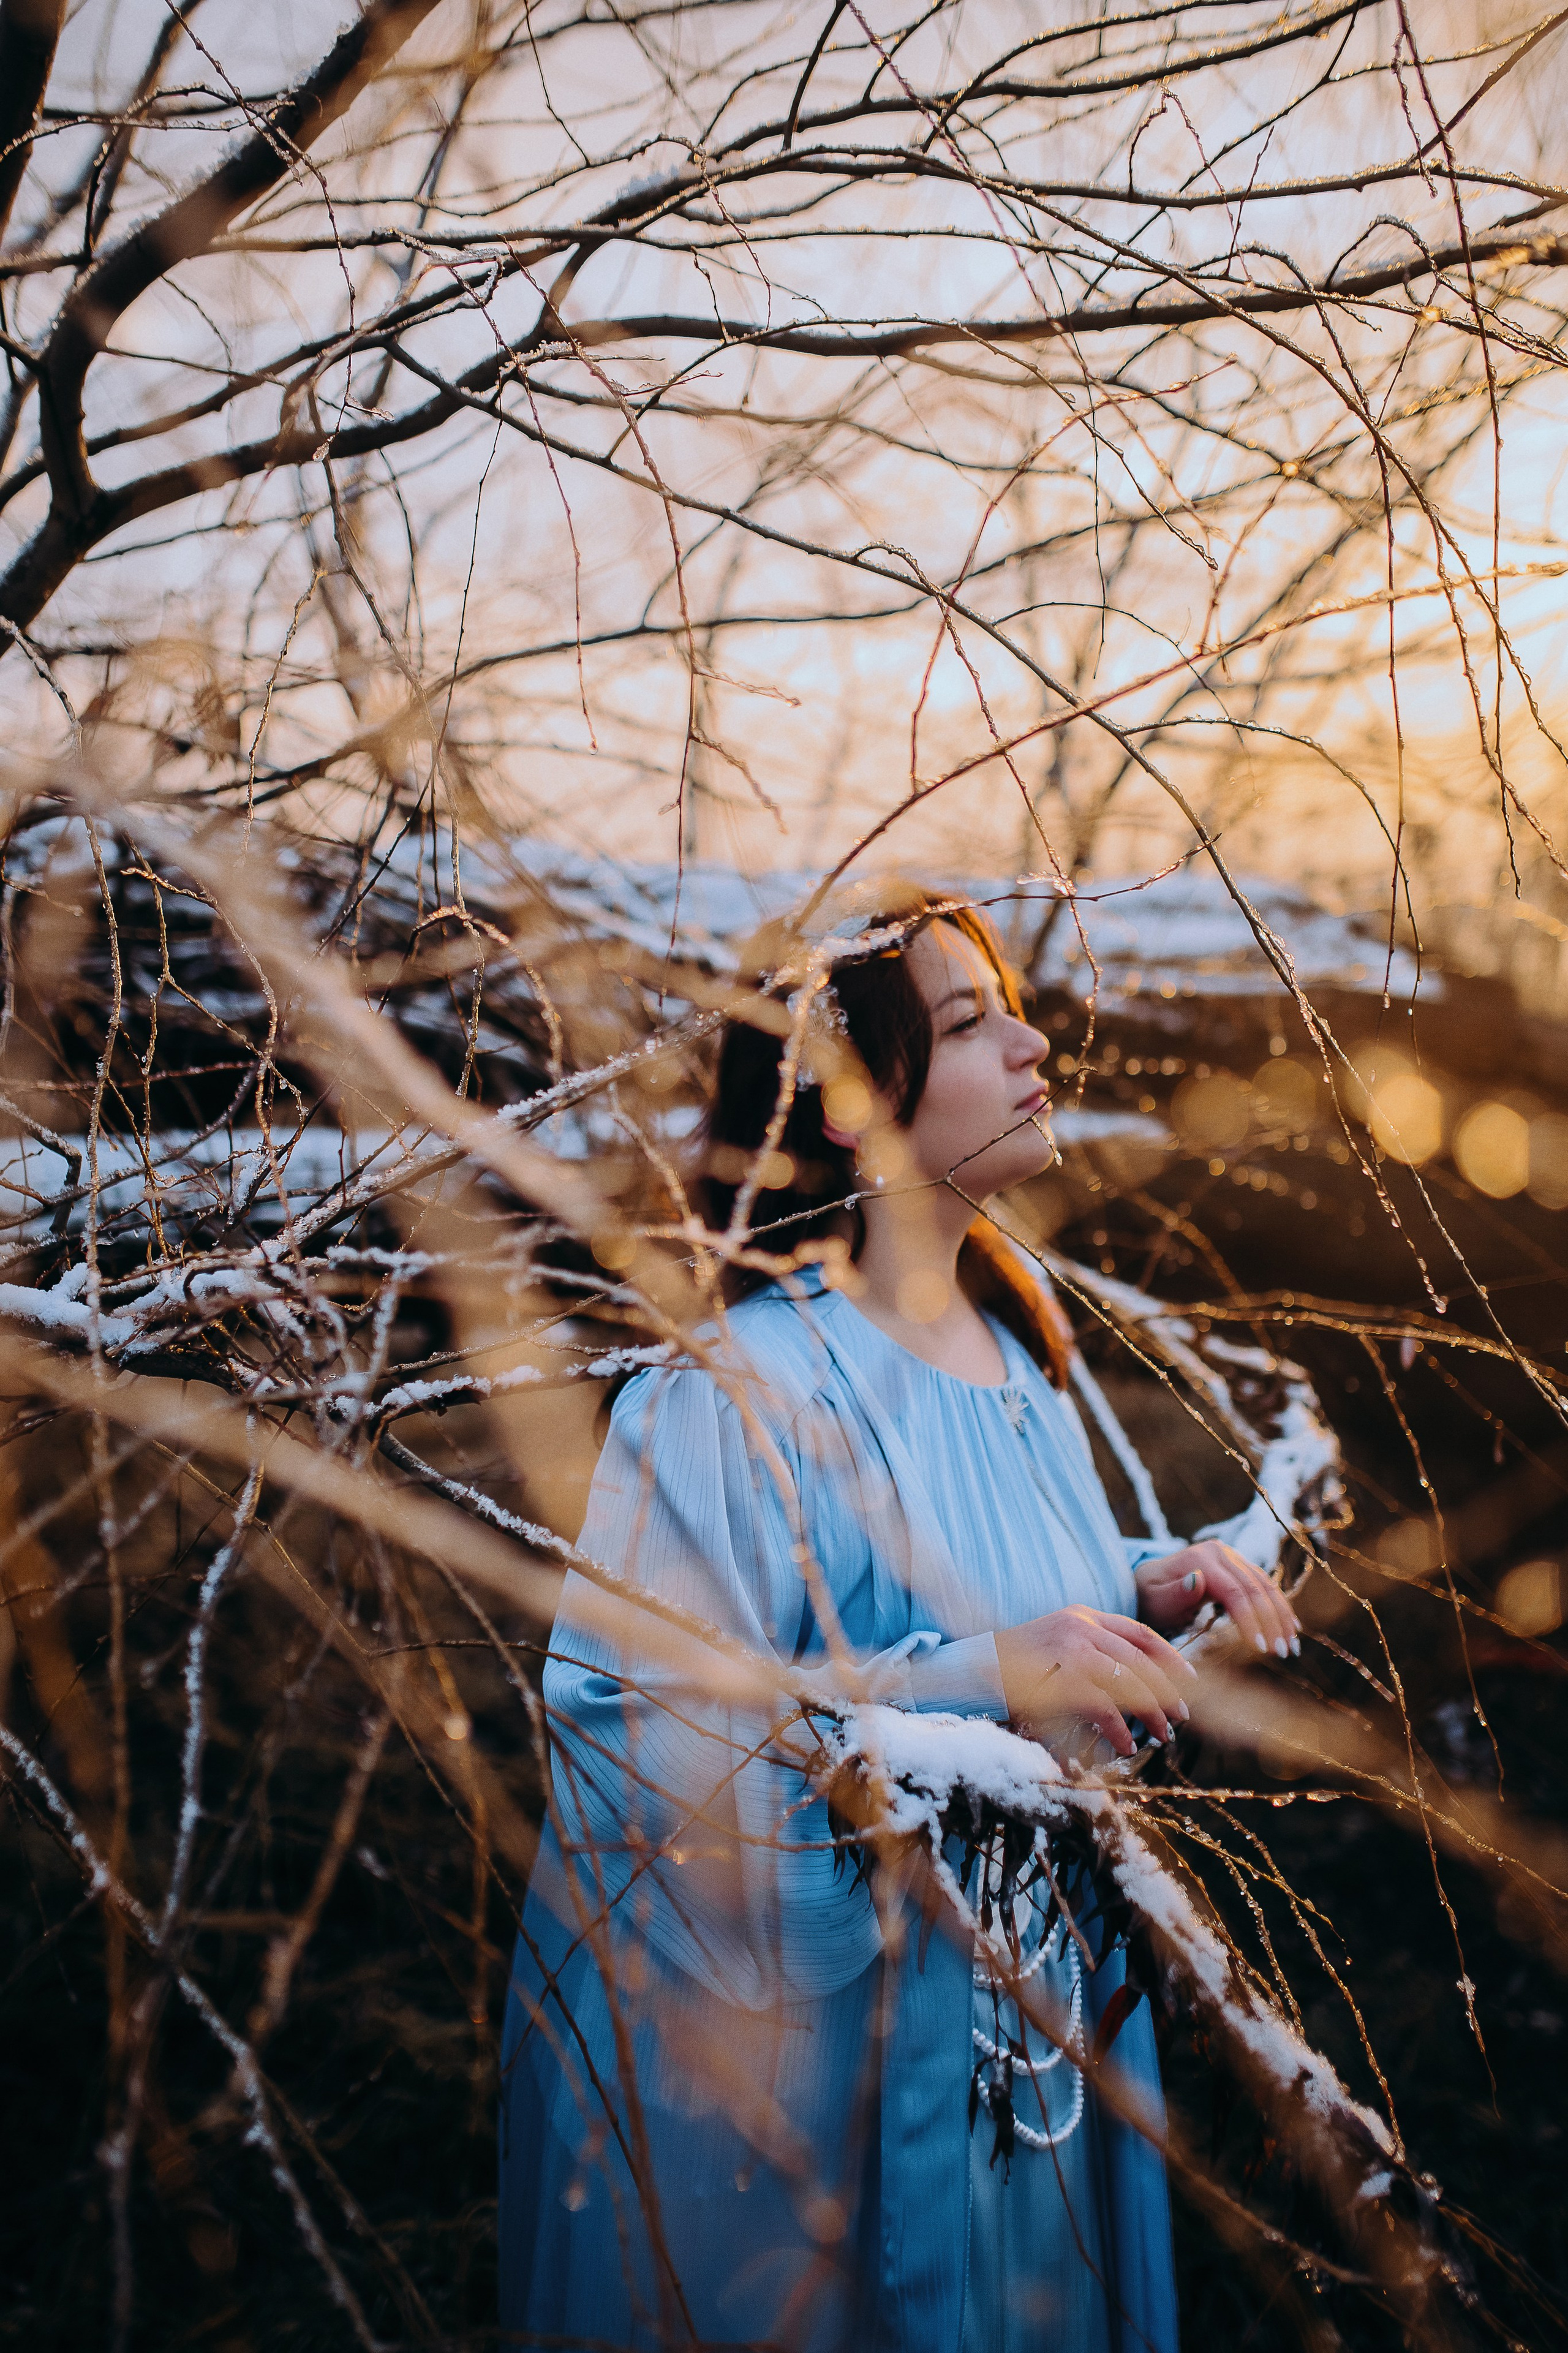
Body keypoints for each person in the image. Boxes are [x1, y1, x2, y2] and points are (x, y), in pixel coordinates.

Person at [499, 888, 1299, 2351]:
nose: (1030, 1037)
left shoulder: (1012, 1357)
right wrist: (987, 1676)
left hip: (1030, 2035)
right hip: (816, 2108)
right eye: (966, 1019)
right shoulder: (735, 1389)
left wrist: (1133, 1585)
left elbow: (976, 1585)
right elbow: (640, 1732)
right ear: (848, 1100)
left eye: (1006, 1005)